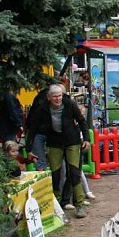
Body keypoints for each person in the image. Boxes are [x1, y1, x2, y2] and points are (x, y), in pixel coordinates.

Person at [25, 84, 90, 218]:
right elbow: (33, 128)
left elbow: (81, 120)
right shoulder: (43, 108)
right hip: (54, 142)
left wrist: (86, 139)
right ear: (49, 97)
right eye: (55, 96)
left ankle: (80, 204)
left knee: (74, 172)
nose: (58, 99)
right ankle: (55, 206)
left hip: (72, 141)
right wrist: (29, 149)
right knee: (56, 174)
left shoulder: (70, 104)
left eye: (60, 96)